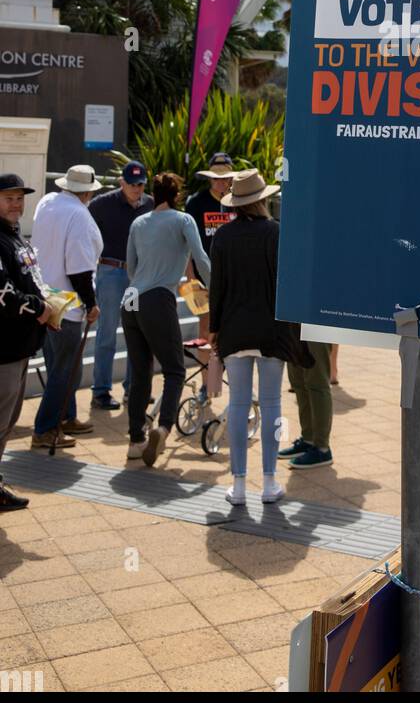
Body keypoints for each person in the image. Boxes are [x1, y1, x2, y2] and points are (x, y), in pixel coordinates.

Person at [208, 169, 313, 505]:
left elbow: (217, 288)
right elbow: (288, 283)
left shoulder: (222, 237)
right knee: (272, 406)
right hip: (271, 330)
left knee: (238, 405)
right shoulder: (276, 234)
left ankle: (238, 485)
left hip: (234, 329)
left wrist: (214, 329)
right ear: (263, 200)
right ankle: (269, 480)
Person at [124, 172, 210, 467]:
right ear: (176, 195)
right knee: (174, 370)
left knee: (140, 372)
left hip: (131, 300)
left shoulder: (139, 222)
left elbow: (131, 268)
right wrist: (217, 288)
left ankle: (136, 440)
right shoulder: (183, 220)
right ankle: (163, 428)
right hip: (158, 299)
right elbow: (200, 259)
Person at [31, 164, 104, 449]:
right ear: (87, 192)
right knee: (65, 369)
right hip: (68, 303)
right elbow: (79, 269)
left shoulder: (48, 201)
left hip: (46, 296)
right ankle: (46, 428)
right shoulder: (79, 215)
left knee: (57, 364)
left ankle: (67, 415)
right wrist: (92, 304)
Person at [0, 174, 53, 509]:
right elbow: (2, 292)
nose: (16, 204)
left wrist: (50, 309)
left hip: (19, 344)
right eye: (9, 198)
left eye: (20, 198)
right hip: (3, 347)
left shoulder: (13, 236)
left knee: (7, 420)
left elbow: (30, 279)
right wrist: (39, 308)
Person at [88, 161, 153, 410]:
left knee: (135, 332)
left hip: (136, 278)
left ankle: (133, 389)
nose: (137, 189)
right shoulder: (101, 204)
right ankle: (101, 391)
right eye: (132, 184)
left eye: (140, 184)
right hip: (111, 273)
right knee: (107, 333)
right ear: (121, 182)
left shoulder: (149, 203)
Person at [279, 338, 334, 470]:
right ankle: (309, 440)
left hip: (318, 324)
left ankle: (322, 449)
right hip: (294, 323)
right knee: (298, 383)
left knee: (317, 383)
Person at [185, 153, 235, 274]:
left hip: (234, 272)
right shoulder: (195, 202)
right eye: (215, 178)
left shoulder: (240, 202)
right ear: (209, 178)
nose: (220, 181)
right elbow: (186, 242)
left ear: (231, 178)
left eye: (225, 177)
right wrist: (190, 275)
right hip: (204, 273)